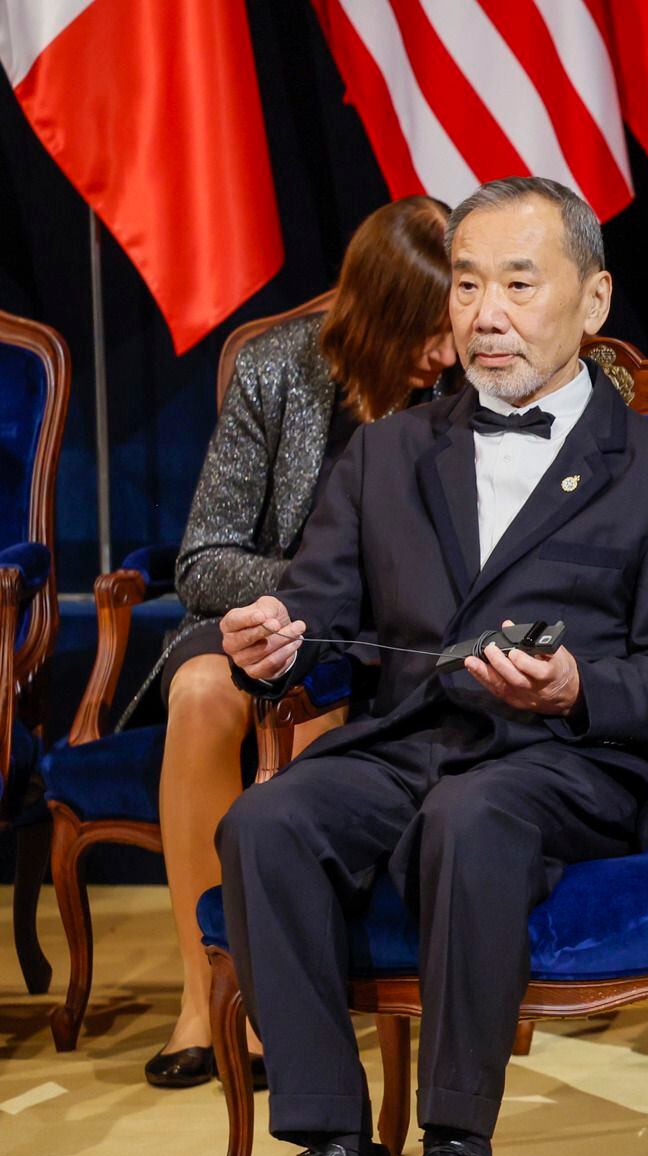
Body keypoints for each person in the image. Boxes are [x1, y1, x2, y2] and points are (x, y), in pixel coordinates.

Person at [210, 177, 648, 1156]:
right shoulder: (389, 452)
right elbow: (320, 609)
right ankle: (339, 1151)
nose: (483, 311)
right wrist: (273, 640)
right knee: (267, 822)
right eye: (468, 284)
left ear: (592, 302)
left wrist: (580, 683)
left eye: (517, 284)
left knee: (475, 811)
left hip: (568, 761)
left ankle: (456, 1147)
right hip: (408, 742)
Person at [134, 196, 459, 1091]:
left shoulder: (469, 387)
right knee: (201, 692)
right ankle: (204, 996)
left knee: (326, 724)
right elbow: (204, 558)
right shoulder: (277, 370)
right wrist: (300, 593)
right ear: (378, 314)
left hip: (390, 637)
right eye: (427, 330)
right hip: (274, 614)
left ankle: (286, 999)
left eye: (452, 327)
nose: (444, 351)